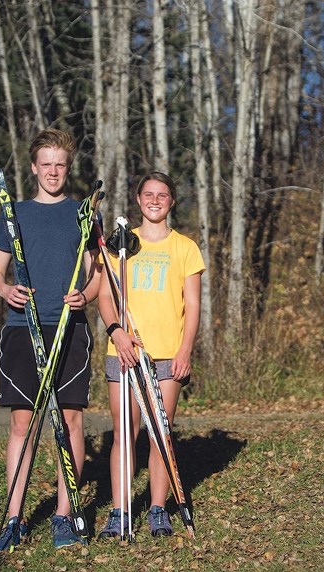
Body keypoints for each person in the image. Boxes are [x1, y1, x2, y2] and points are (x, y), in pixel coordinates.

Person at [0, 128, 101, 551]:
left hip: (69, 330)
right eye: (46, 164)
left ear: (67, 169)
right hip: (23, 327)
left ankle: (64, 515)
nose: (53, 172)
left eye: (61, 165)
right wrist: (6, 291)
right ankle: (14, 517)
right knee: (23, 423)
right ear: (34, 167)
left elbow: (97, 274)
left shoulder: (83, 212)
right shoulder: (13, 213)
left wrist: (85, 296)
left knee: (70, 421)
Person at [97, 172, 204, 538]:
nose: (155, 200)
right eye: (148, 194)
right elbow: (106, 296)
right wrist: (117, 332)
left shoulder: (185, 248)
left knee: (161, 432)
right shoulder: (121, 244)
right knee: (124, 431)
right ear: (138, 199)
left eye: (163, 195)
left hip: (166, 357)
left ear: (172, 202)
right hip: (124, 351)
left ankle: (158, 509)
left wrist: (185, 350)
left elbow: (193, 305)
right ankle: (119, 510)